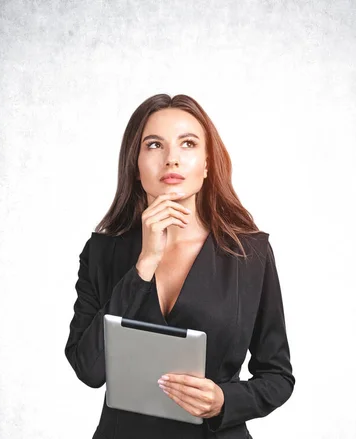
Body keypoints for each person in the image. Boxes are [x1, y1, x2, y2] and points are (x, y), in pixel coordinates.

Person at [65, 94, 295, 439]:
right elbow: (89, 369)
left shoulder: (250, 254)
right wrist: (145, 264)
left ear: (206, 164)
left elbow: (278, 376)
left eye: (187, 144)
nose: (171, 159)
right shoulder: (102, 252)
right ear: (135, 164)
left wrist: (223, 400)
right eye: (154, 145)